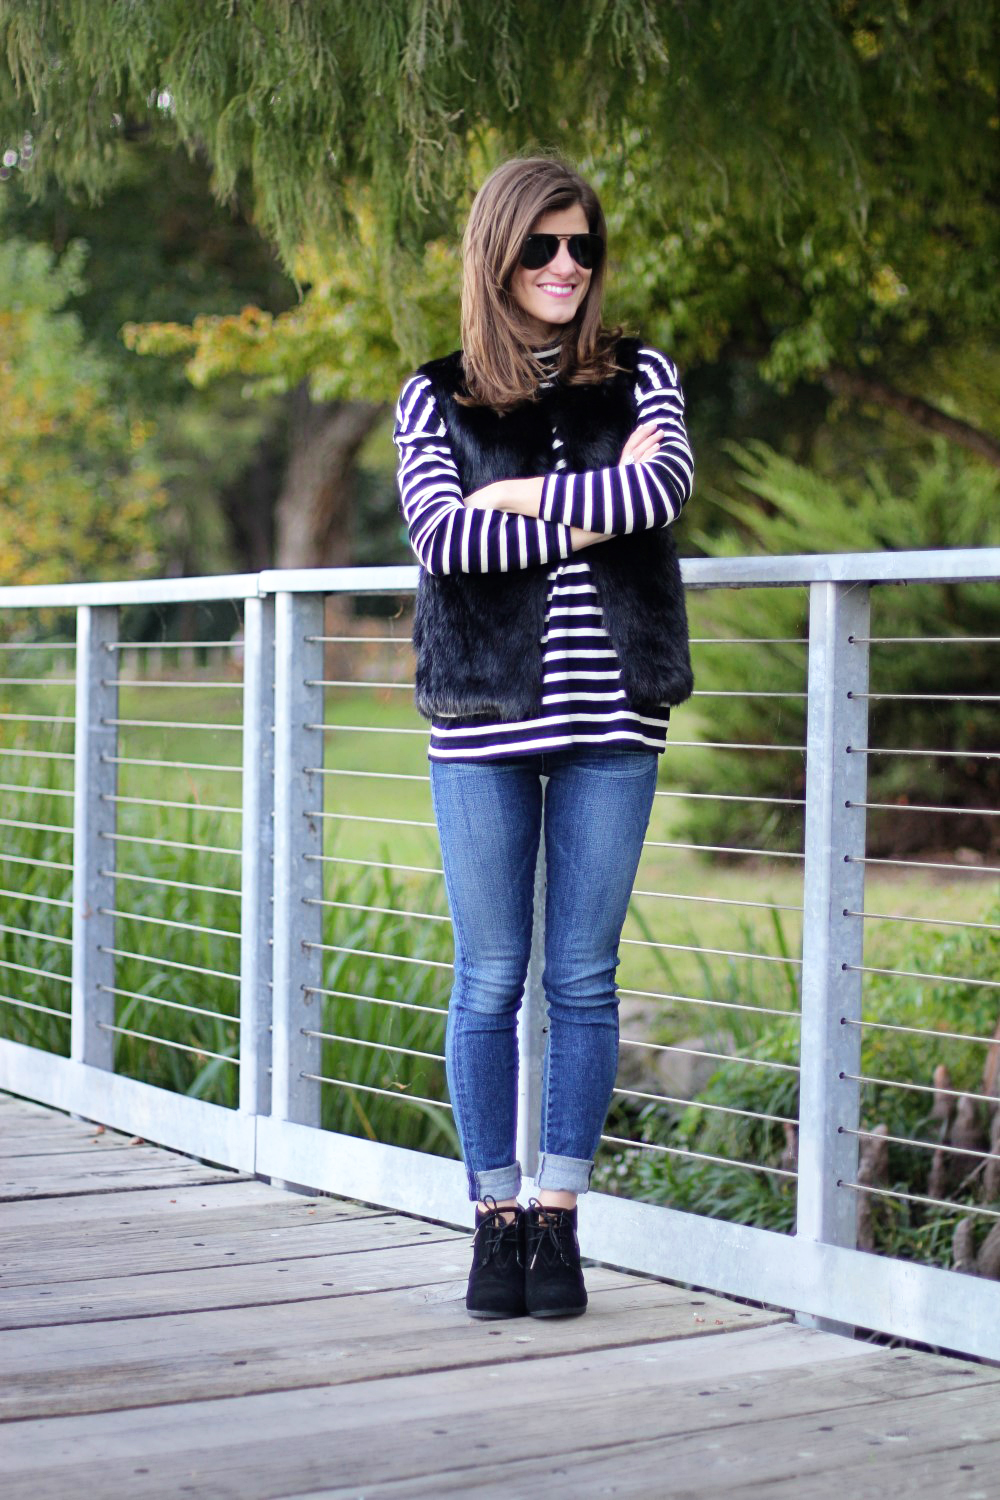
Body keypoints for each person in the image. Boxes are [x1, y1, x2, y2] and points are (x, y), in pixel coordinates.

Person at [393, 156, 694, 1320]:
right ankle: (492, 1221)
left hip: (612, 713)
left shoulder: (644, 376)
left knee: (581, 977)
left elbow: (658, 491)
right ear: (498, 255)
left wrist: (510, 504)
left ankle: (558, 1225)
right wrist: (562, 509)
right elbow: (440, 541)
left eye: (581, 246)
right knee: (488, 978)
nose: (566, 266)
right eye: (542, 247)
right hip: (479, 716)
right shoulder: (435, 395)